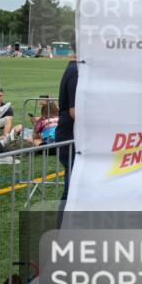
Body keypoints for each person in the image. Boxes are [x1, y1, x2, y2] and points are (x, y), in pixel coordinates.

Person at [55, 60, 78, 200]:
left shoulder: (75, 68)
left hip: (70, 138)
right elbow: (75, 112)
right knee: (72, 192)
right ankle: (64, 221)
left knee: (72, 189)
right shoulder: (77, 71)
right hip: (71, 139)